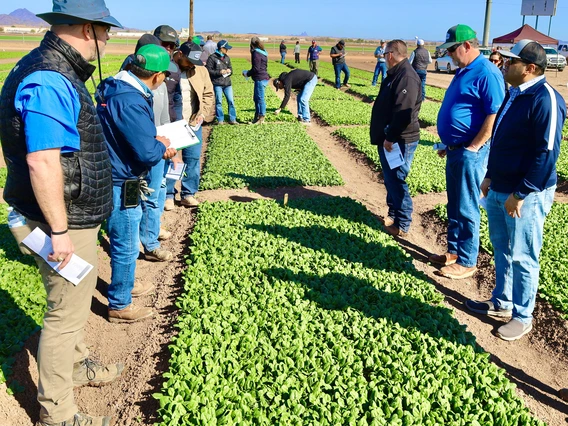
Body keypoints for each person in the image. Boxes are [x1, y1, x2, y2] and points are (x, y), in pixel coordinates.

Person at [0, 0, 125, 424]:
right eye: (105, 30)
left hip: (63, 214)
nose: (108, 39)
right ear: (88, 29)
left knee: (68, 306)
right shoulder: (51, 77)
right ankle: (58, 414)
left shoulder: (53, 67)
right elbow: (43, 161)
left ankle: (74, 367)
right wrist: (59, 230)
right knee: (64, 317)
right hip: (60, 220)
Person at [465, 40, 566, 341]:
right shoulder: (514, 93)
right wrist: (490, 175)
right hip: (500, 186)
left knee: (523, 255)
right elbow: (501, 138)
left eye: (512, 61)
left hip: (525, 195)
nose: (505, 63)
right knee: (502, 248)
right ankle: (501, 302)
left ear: (530, 68)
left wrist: (521, 194)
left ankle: (523, 317)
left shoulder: (545, 98)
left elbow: (546, 154)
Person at [97, 44, 177, 323]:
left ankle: (126, 284)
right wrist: (162, 147)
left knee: (125, 236)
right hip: (123, 179)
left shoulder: (115, 87)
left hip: (112, 170)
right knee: (127, 241)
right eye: (165, 76)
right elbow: (145, 151)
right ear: (157, 76)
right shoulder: (130, 99)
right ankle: (120, 304)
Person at [429, 24, 505, 279]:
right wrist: (449, 143)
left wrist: (474, 146)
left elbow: (495, 114)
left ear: (467, 46)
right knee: (455, 203)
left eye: (452, 49)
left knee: (467, 205)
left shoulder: (487, 72)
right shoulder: (463, 70)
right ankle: (453, 251)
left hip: (471, 152)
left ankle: (467, 260)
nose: (449, 54)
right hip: (455, 150)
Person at [120, 35, 176, 262]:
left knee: (156, 192)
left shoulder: (156, 82)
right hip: (141, 153)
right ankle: (131, 251)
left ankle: (150, 242)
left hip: (157, 145)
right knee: (130, 206)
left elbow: (162, 115)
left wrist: (169, 140)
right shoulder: (127, 88)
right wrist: (157, 146)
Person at [370, 40, 422, 237]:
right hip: (391, 137)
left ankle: (402, 223)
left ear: (390, 54)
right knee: (390, 179)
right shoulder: (397, 73)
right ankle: (392, 214)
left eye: (384, 54)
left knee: (397, 179)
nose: (384, 57)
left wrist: (390, 138)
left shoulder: (406, 76)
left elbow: (403, 113)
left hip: (400, 139)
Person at [174, 41, 215, 207]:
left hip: (192, 122)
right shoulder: (169, 68)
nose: (192, 65)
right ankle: (169, 195)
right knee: (172, 160)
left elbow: (208, 93)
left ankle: (188, 193)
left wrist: (202, 114)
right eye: (189, 61)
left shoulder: (200, 70)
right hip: (173, 123)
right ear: (180, 54)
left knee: (192, 159)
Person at [153, 25, 183, 211]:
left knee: (169, 163)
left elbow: (177, 97)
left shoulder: (174, 68)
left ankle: (168, 196)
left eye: (172, 46)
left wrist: (178, 123)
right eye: (165, 44)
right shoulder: (136, 62)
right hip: (146, 126)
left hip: (167, 122)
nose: (168, 49)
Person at [206, 39, 237, 125]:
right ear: (221, 48)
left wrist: (229, 71)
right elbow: (209, 71)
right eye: (226, 48)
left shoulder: (227, 57)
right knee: (219, 102)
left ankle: (233, 119)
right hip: (217, 84)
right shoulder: (212, 58)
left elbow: (231, 69)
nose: (227, 50)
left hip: (227, 84)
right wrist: (219, 72)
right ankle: (220, 120)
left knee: (231, 101)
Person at [245, 37, 270, 124]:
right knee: (256, 98)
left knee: (259, 98)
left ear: (252, 44)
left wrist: (247, 73)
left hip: (260, 78)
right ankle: (257, 117)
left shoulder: (256, 53)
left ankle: (261, 118)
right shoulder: (263, 52)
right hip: (263, 77)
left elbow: (256, 68)